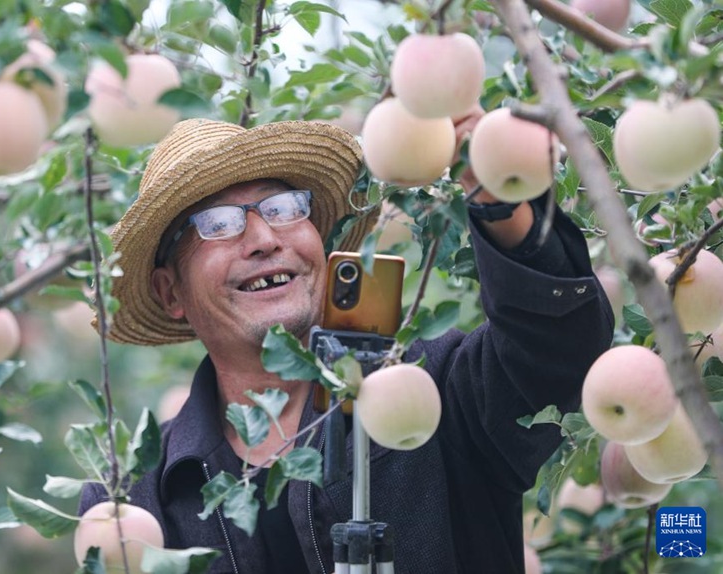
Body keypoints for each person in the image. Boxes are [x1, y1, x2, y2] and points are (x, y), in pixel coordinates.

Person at [79, 115, 614, 573]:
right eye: (217, 224)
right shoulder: (134, 502)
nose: (265, 238)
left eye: (285, 208)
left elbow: (557, 351)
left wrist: (499, 193)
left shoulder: (436, 392)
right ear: (171, 292)